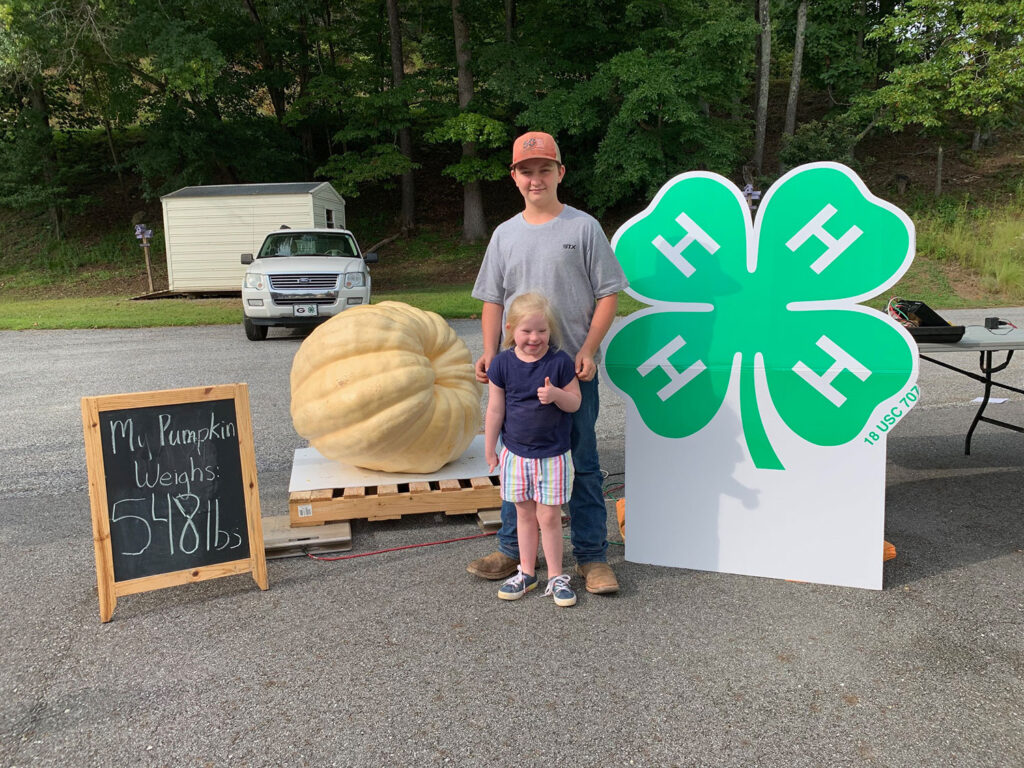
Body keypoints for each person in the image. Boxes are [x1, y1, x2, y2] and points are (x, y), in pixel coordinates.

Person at [468, 130, 628, 595]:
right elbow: (492, 300)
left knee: (583, 461)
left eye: (544, 169)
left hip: (571, 371)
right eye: (526, 171)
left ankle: (592, 557)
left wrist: (587, 349)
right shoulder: (505, 234)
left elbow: (608, 294)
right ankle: (513, 551)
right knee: (517, 460)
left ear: (560, 172)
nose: (535, 179)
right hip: (518, 372)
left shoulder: (583, 228)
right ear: (514, 177)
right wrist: (490, 350)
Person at [485, 292, 581, 606]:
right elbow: (495, 410)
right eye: (526, 331)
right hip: (515, 455)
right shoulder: (501, 364)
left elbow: (575, 403)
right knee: (524, 515)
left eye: (542, 330)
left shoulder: (560, 362)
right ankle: (527, 573)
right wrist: (490, 448)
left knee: (550, 517)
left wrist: (555, 395)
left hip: (553, 456)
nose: (534, 337)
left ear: (550, 331)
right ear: (511, 329)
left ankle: (556, 576)